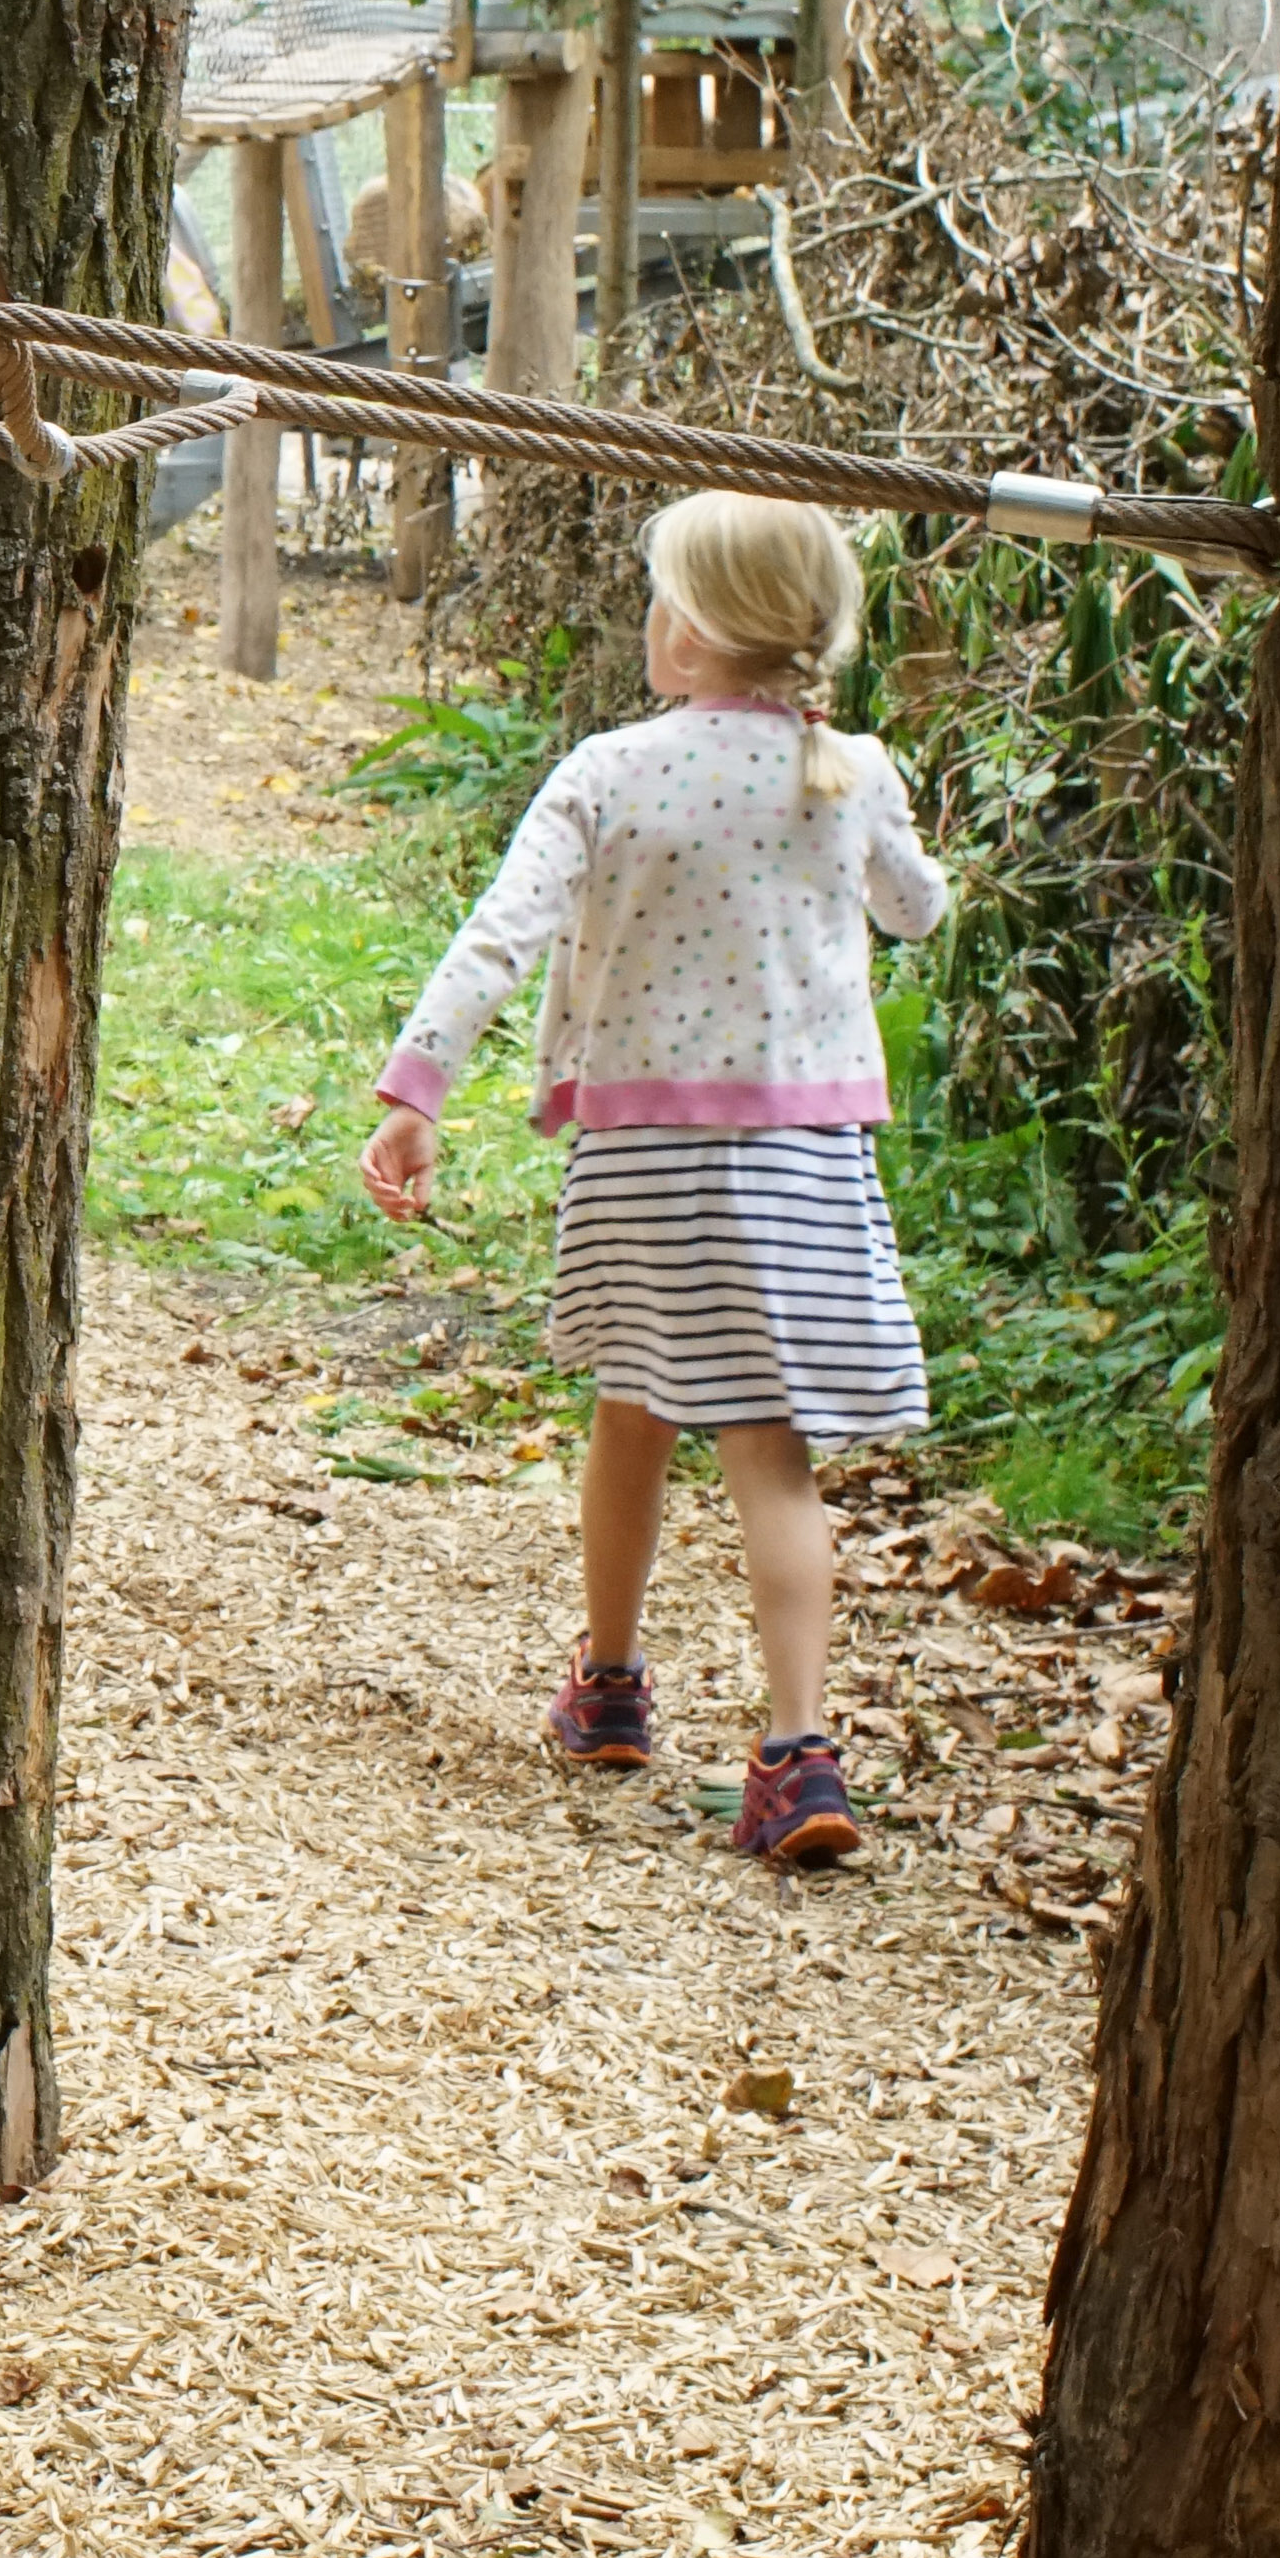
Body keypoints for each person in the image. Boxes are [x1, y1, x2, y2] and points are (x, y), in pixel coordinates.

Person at [358, 492, 955, 1869]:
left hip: (641, 1163)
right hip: (800, 1164)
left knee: (632, 1411)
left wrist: (416, 1092)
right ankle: (799, 1755)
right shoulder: (847, 769)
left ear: (689, 628)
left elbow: (498, 937)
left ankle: (611, 1688)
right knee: (771, 1450)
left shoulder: (610, 771)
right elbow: (916, 909)